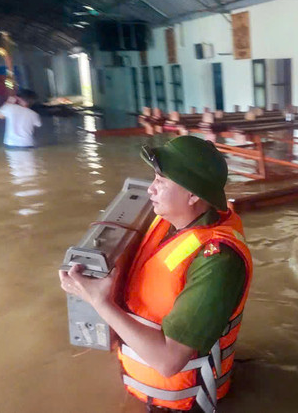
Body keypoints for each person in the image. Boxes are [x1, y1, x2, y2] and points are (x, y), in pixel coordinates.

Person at [59, 135, 252, 413]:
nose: (151, 190)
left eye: (161, 181)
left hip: (185, 403)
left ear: (193, 194)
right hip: (148, 388)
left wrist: (99, 302)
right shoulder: (171, 222)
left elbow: (168, 362)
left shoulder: (218, 261)